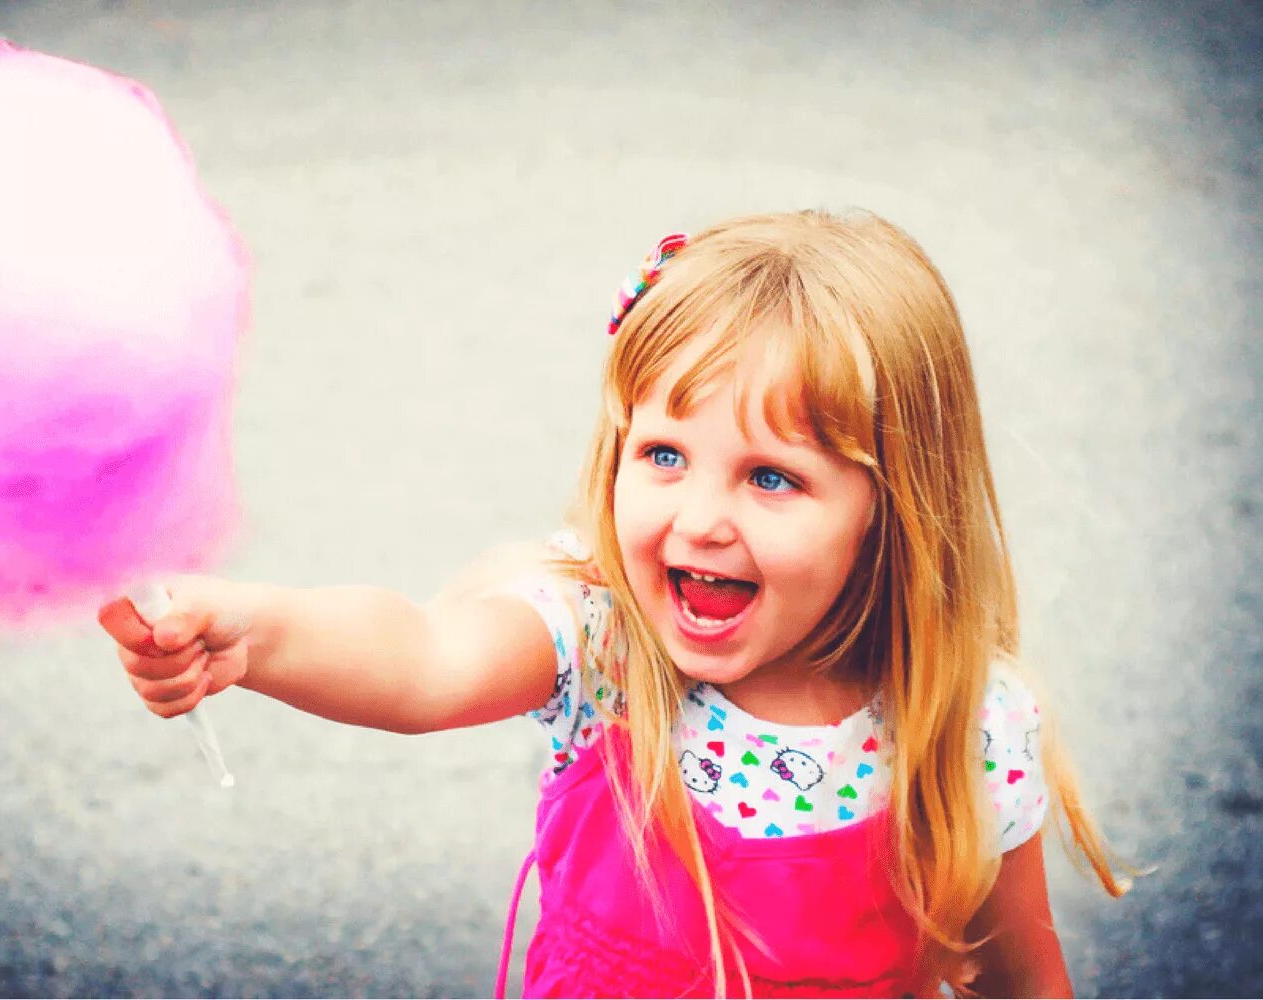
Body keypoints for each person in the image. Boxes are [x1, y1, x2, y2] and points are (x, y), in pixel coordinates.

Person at [98, 210, 1133, 998]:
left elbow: (1023, 978)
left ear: (893, 506)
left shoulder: (961, 726)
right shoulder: (602, 643)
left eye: (771, 477)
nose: (702, 517)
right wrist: (258, 630)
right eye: (665, 454)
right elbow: (421, 659)